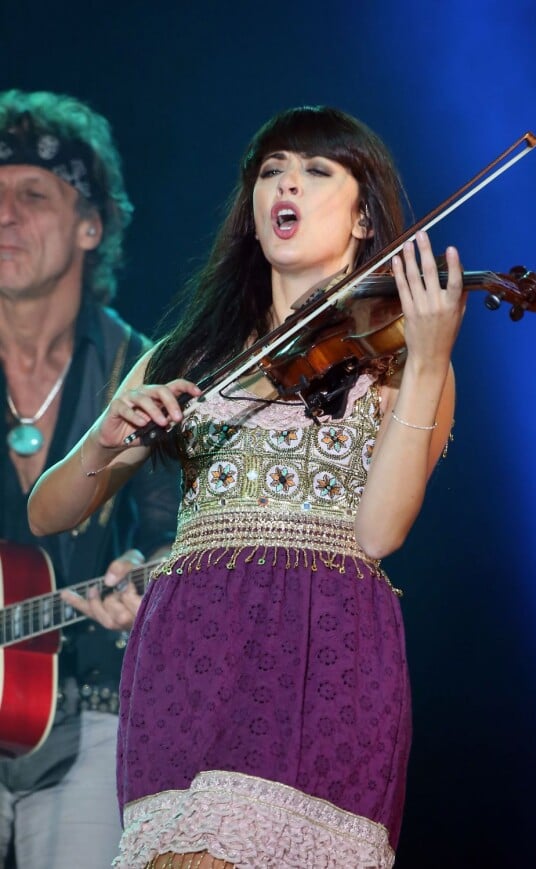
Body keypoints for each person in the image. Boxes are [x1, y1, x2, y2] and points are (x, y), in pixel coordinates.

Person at [29, 105, 466, 868]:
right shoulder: (186, 353)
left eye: (316, 170)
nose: (285, 183)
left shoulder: (401, 354)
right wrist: (105, 435)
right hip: (187, 641)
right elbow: (50, 512)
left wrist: (429, 362)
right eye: (271, 171)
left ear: (366, 217)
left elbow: (379, 534)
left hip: (319, 638)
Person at [0, 89, 179, 868]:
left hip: (88, 711)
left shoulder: (136, 371)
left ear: (90, 225)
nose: (3, 214)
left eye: (30, 195)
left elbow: (174, 530)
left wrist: (141, 574)